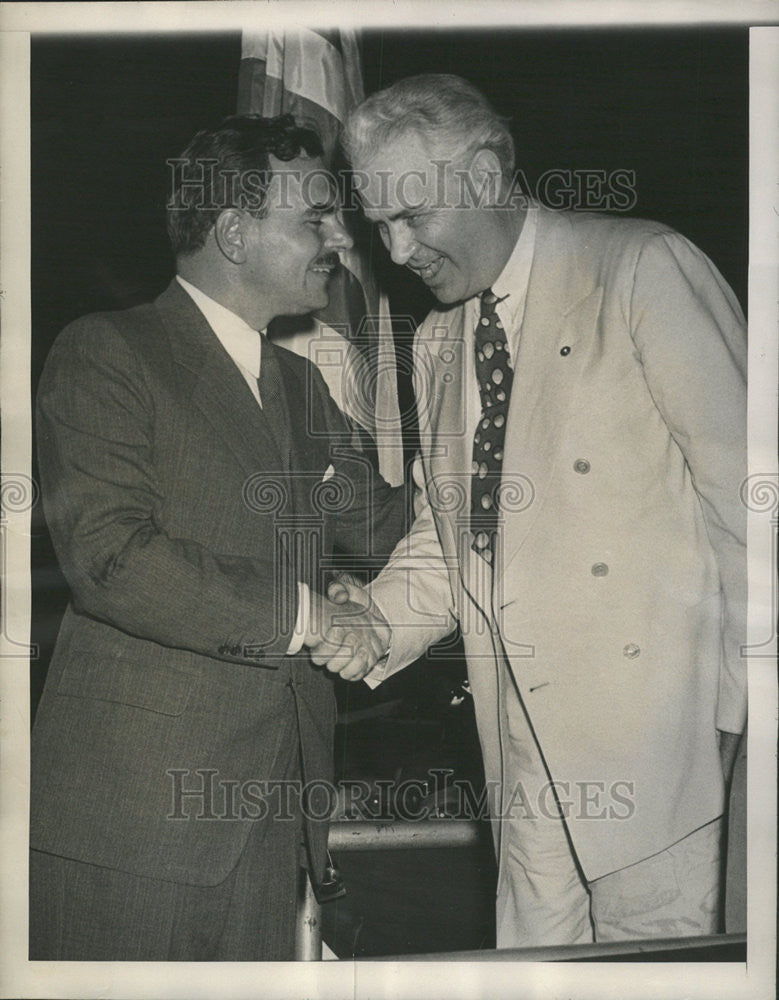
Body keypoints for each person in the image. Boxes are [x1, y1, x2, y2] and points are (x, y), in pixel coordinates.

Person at [331, 74, 747, 947]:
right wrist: (367, 619)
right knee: (534, 969)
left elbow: (749, 506)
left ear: (485, 176)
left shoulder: (639, 267)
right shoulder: (439, 337)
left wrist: (738, 724)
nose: (395, 250)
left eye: (411, 217)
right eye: (376, 224)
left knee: (658, 971)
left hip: (660, 741)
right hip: (515, 744)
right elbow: (457, 540)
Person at [30, 114, 405, 961]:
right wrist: (313, 614)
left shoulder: (303, 385)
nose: (341, 238)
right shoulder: (108, 351)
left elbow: (392, 532)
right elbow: (114, 559)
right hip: (135, 823)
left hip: (277, 824)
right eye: (314, 217)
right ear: (234, 232)